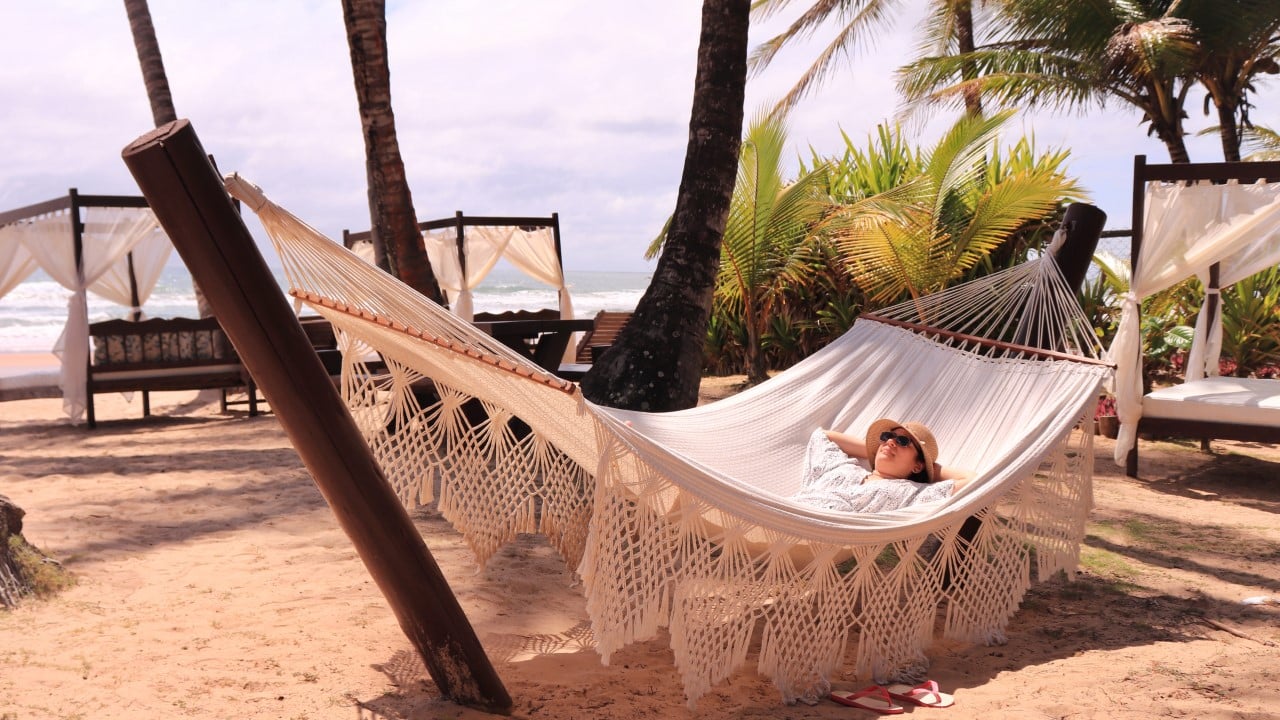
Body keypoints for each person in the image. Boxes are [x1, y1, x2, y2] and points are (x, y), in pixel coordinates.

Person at [790, 418, 972, 513]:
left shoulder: (912, 493)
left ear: (917, 466)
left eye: (902, 441)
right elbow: (823, 437)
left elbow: (973, 481)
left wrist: (927, 466)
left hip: (815, 531)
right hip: (782, 513)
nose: (891, 442)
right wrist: (874, 449)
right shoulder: (845, 467)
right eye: (887, 437)